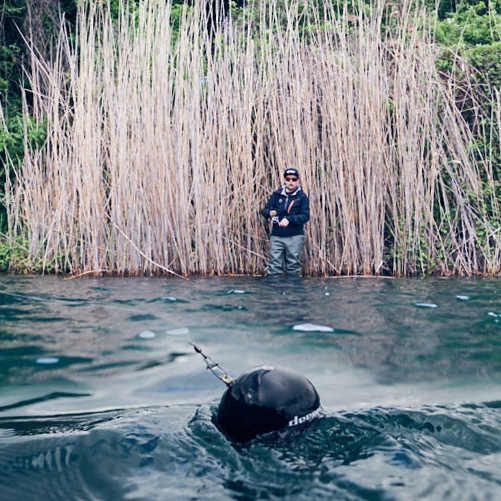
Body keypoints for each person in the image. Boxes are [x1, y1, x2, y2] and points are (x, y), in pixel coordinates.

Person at [261, 168, 310, 277]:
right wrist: (270, 213)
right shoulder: (276, 194)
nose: (291, 182)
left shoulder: (302, 197)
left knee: (293, 266)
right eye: (288, 179)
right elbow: (264, 211)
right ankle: (274, 286)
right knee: (274, 266)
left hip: (294, 236)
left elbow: (305, 216)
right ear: (284, 180)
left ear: (298, 180)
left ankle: (292, 287)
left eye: (294, 179)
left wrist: (289, 219)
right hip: (276, 236)